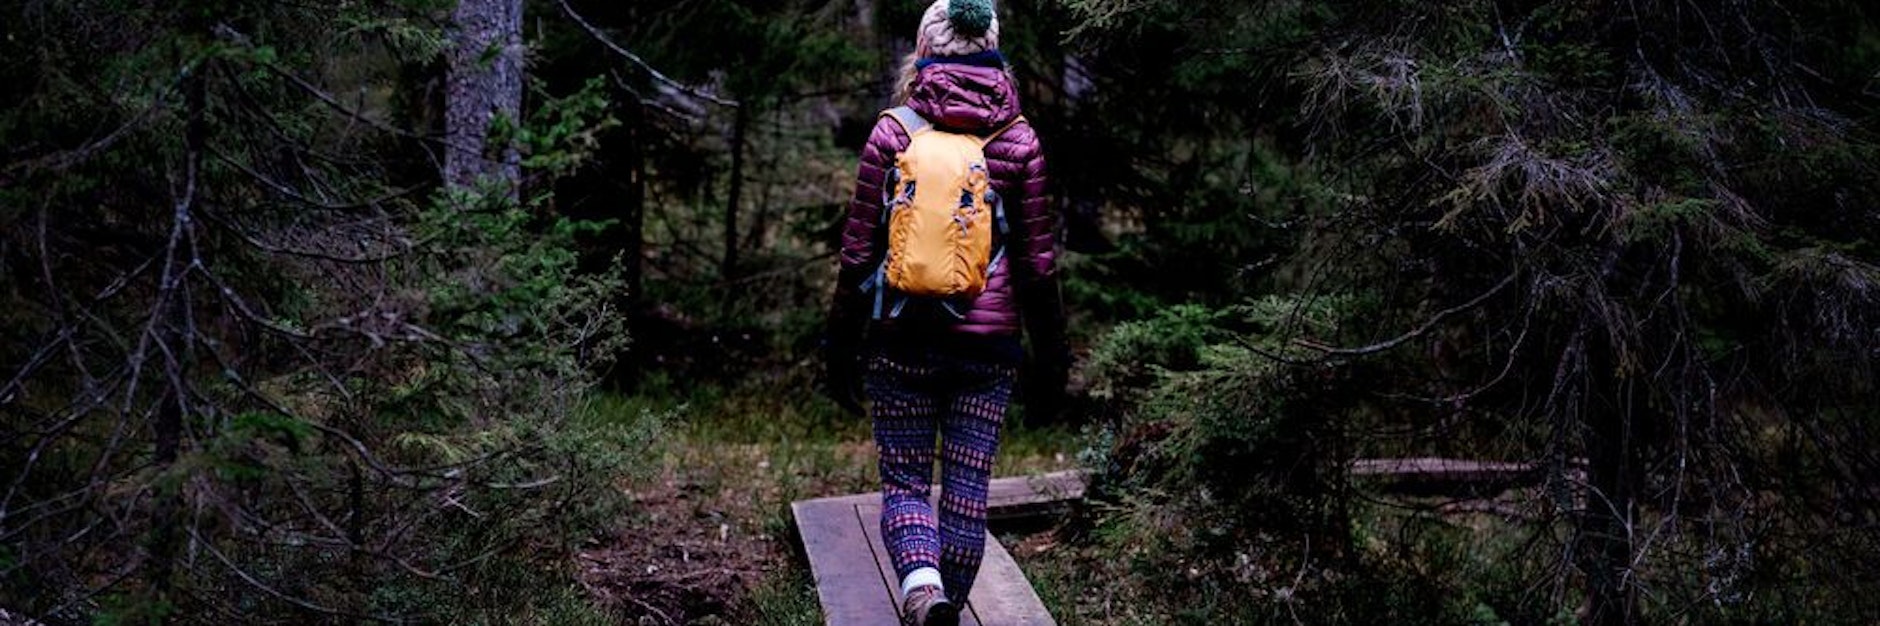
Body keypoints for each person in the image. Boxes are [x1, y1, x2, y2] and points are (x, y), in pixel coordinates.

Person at [822, 1, 1069, 624]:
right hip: (986, 351)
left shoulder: (894, 132)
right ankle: (948, 608)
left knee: (904, 482)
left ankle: (924, 592)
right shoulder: (1018, 139)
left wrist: (837, 346)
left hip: (898, 339)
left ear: (924, 49)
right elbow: (1038, 266)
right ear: (993, 48)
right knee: (967, 494)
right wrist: (1052, 362)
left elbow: (858, 250)